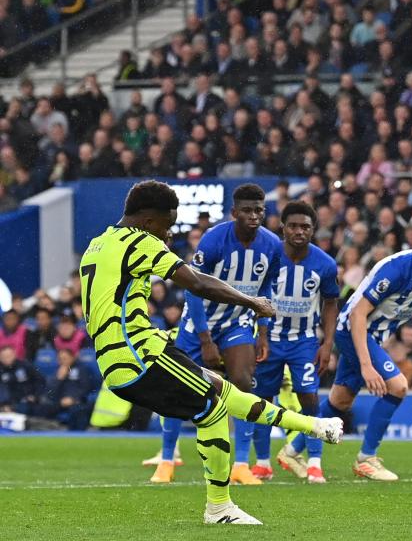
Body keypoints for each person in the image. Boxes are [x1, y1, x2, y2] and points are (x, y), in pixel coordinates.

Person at [79, 180, 342, 524]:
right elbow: (198, 283)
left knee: (223, 390)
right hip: (138, 354)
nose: (167, 233)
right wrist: (251, 301)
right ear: (146, 220)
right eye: (166, 225)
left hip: (123, 354)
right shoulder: (141, 241)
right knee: (213, 409)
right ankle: (219, 507)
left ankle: (314, 426)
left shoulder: (98, 244)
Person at [152, 183, 282, 486]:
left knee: (243, 384)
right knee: (174, 387)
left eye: (259, 210)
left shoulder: (273, 245)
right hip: (199, 324)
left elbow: (265, 289)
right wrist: (205, 339)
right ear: (234, 212)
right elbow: (194, 290)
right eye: (247, 210)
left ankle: (240, 465)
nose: (254, 216)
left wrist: (262, 333)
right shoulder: (213, 241)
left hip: (237, 323)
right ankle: (166, 460)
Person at [316, 221, 412, 480]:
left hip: (374, 336)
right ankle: (366, 458)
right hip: (353, 329)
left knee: (341, 400)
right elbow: (358, 314)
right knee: (398, 386)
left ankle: (292, 449)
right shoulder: (397, 268)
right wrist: (367, 366)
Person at [247, 201, 340, 484]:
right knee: (262, 400)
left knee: (309, 396)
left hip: (304, 341)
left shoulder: (324, 263)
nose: (299, 231)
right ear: (282, 228)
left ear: (313, 230)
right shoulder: (268, 257)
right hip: (268, 339)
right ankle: (262, 463)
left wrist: (327, 345)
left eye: (305, 227)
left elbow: (331, 303)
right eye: (294, 226)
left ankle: (314, 462)